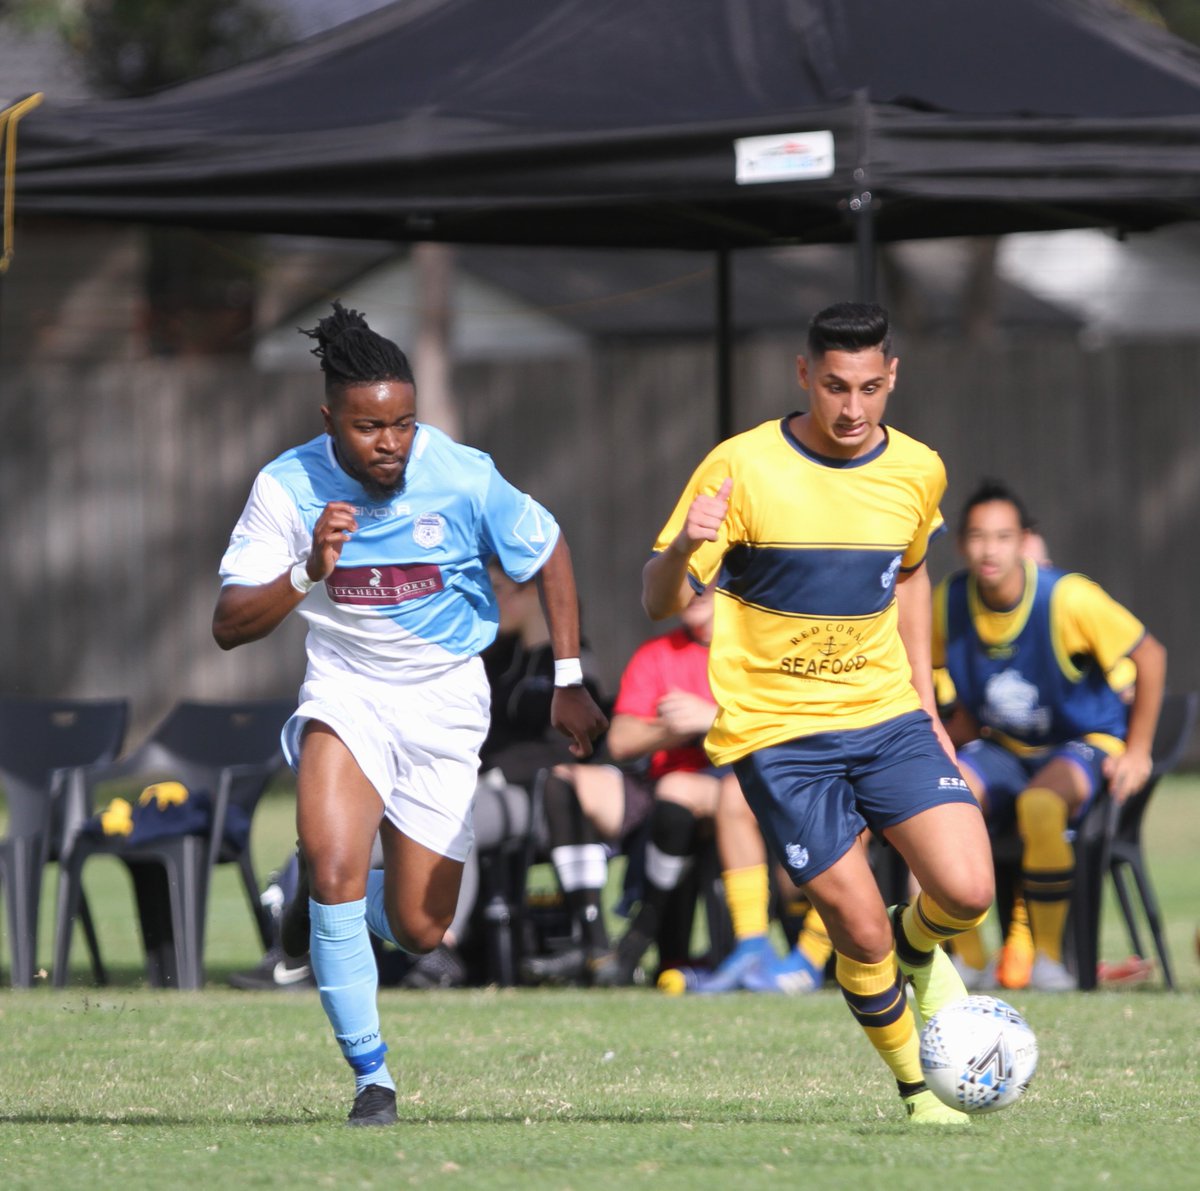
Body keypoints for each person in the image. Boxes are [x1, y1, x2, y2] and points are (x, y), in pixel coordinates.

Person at [212, 301, 607, 1126]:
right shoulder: (286, 486)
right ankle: (373, 1080)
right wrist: (306, 569)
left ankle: (315, 921)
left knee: (423, 928)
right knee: (332, 862)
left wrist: (569, 675)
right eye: (367, 427)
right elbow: (228, 624)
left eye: (402, 422)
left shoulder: (461, 473)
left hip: (446, 704)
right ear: (330, 419)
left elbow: (550, 548)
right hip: (346, 692)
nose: (389, 442)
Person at [642, 301, 994, 1126]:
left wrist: (927, 697)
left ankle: (918, 948)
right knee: (859, 929)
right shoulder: (739, 467)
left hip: (886, 714)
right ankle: (919, 1090)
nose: (852, 408)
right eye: (835, 385)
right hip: (780, 735)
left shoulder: (918, 469)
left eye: (871, 387)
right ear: (804, 374)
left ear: (893, 377)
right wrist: (682, 548)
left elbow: (910, 574)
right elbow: (659, 601)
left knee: (968, 889)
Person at [932, 478, 1166, 991]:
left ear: (1024, 541)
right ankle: (967, 959)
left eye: (1002, 537)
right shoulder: (948, 601)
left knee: (1041, 806)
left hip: (1082, 744)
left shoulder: (1068, 598)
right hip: (1002, 749)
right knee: (939, 802)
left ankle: (1051, 961)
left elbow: (1150, 656)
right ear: (960, 544)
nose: (988, 550)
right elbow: (919, 675)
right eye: (976, 537)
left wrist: (1140, 750)